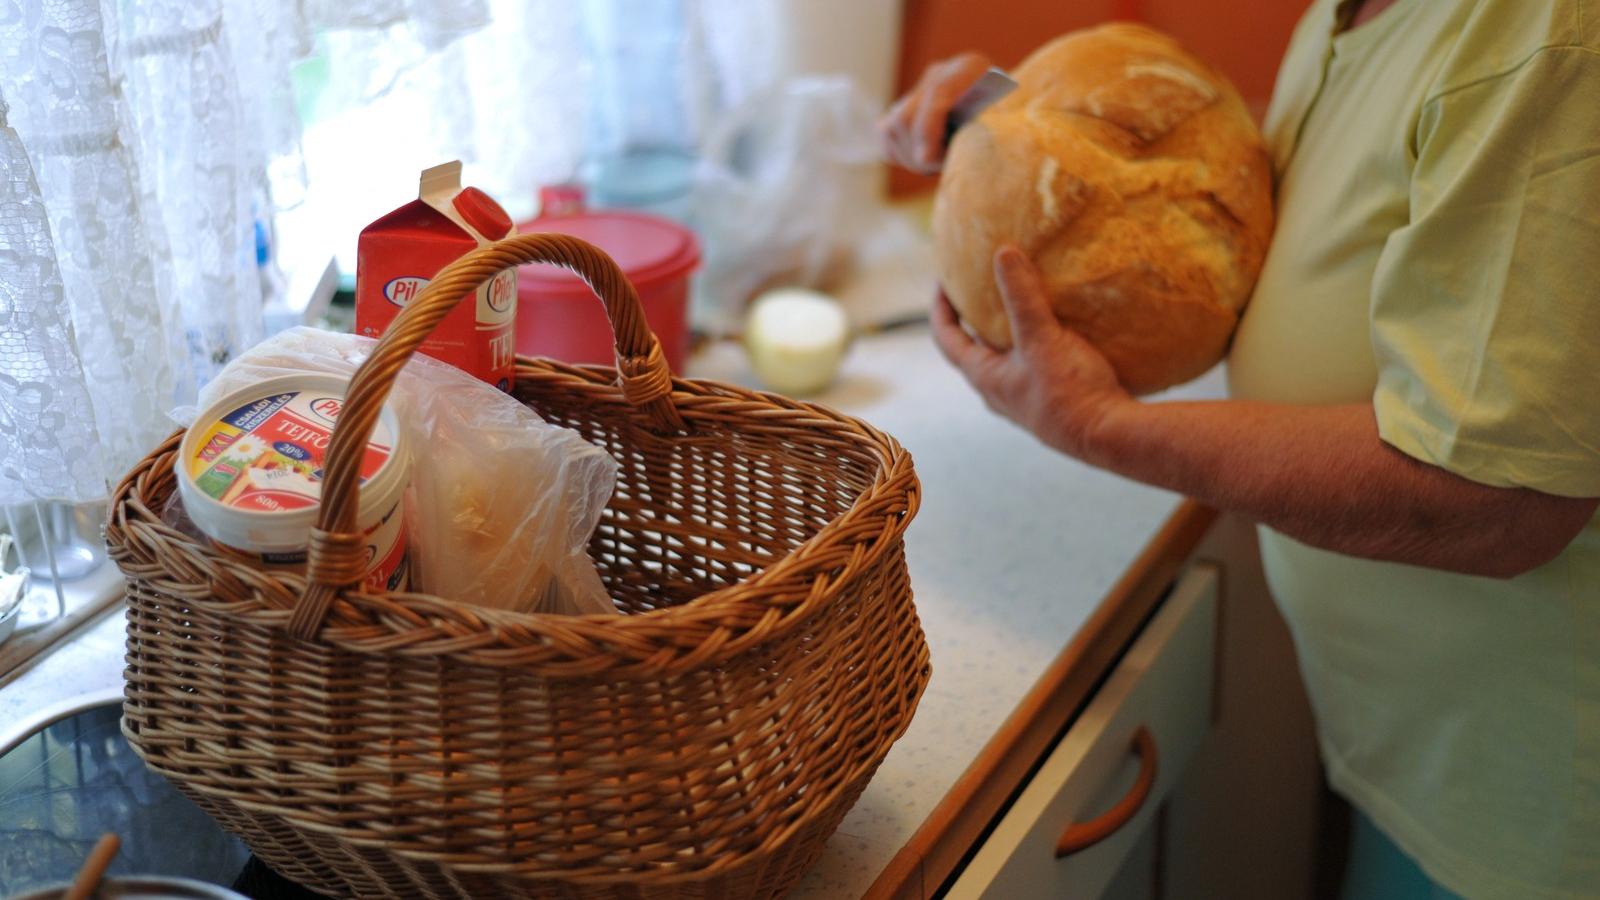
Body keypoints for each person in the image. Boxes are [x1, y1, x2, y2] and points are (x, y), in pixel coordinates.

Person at [879, 1, 1600, 898]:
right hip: (1415, 751)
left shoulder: (1547, 35)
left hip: (1532, 810)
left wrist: (1100, 426)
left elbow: (1495, 500)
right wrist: (1010, 126)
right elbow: (1325, 189)